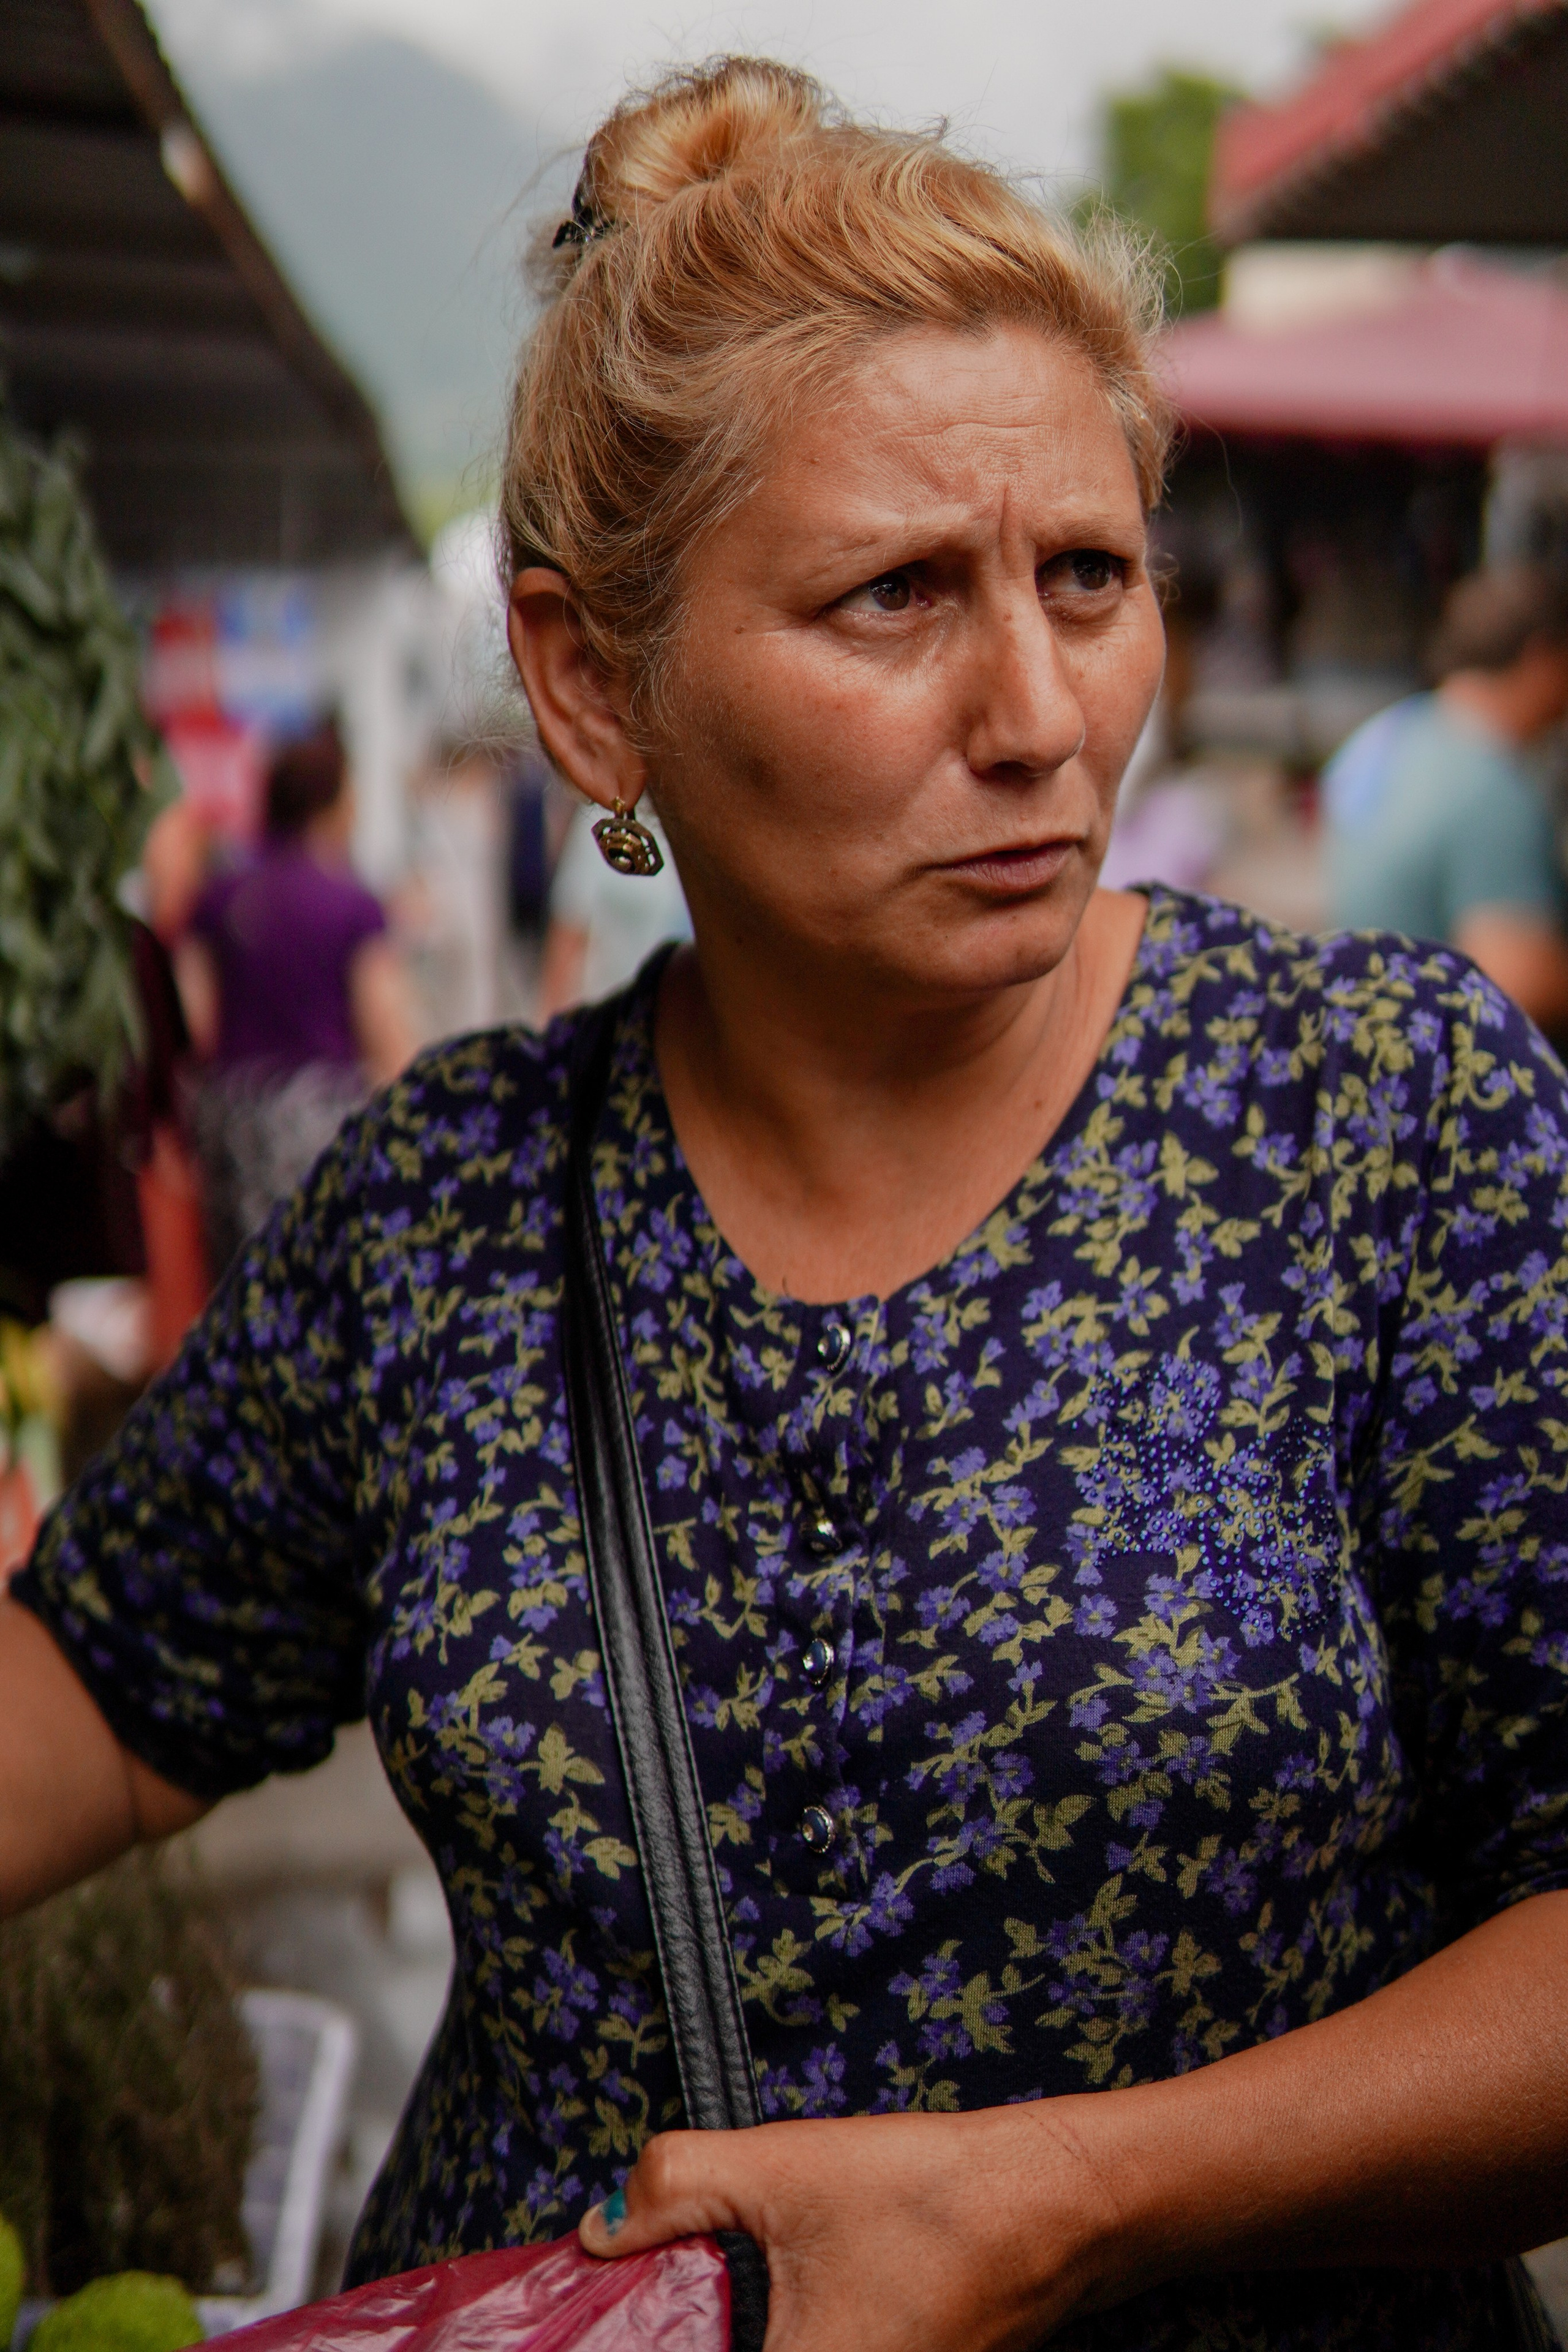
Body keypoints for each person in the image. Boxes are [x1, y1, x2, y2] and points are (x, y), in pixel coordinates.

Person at [3, 59, 1567, 2352]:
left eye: (1087, 575)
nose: (1038, 709)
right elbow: (93, 1684)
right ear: (585, 678)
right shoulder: (452, 1216)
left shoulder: (1372, 1121)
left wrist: (1062, 2199)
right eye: (893, 597)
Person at [176, 722, 416, 1270]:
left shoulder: (217, 900)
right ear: (334, 807)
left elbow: (197, 1025)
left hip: (233, 1125)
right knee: (325, 1289)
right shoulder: (353, 905)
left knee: (243, 1288)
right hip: (322, 1123)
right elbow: (386, 1031)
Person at [1325, 565, 1568, 1033]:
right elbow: (1519, 984)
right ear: (1543, 660)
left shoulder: (1386, 737)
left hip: (1368, 1040)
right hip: (1446, 1068)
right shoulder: (1489, 789)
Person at [538, 796, 693, 1016]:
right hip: (606, 1018)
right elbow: (569, 928)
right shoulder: (603, 819)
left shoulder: (697, 830)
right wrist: (549, 1018)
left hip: (673, 1020)